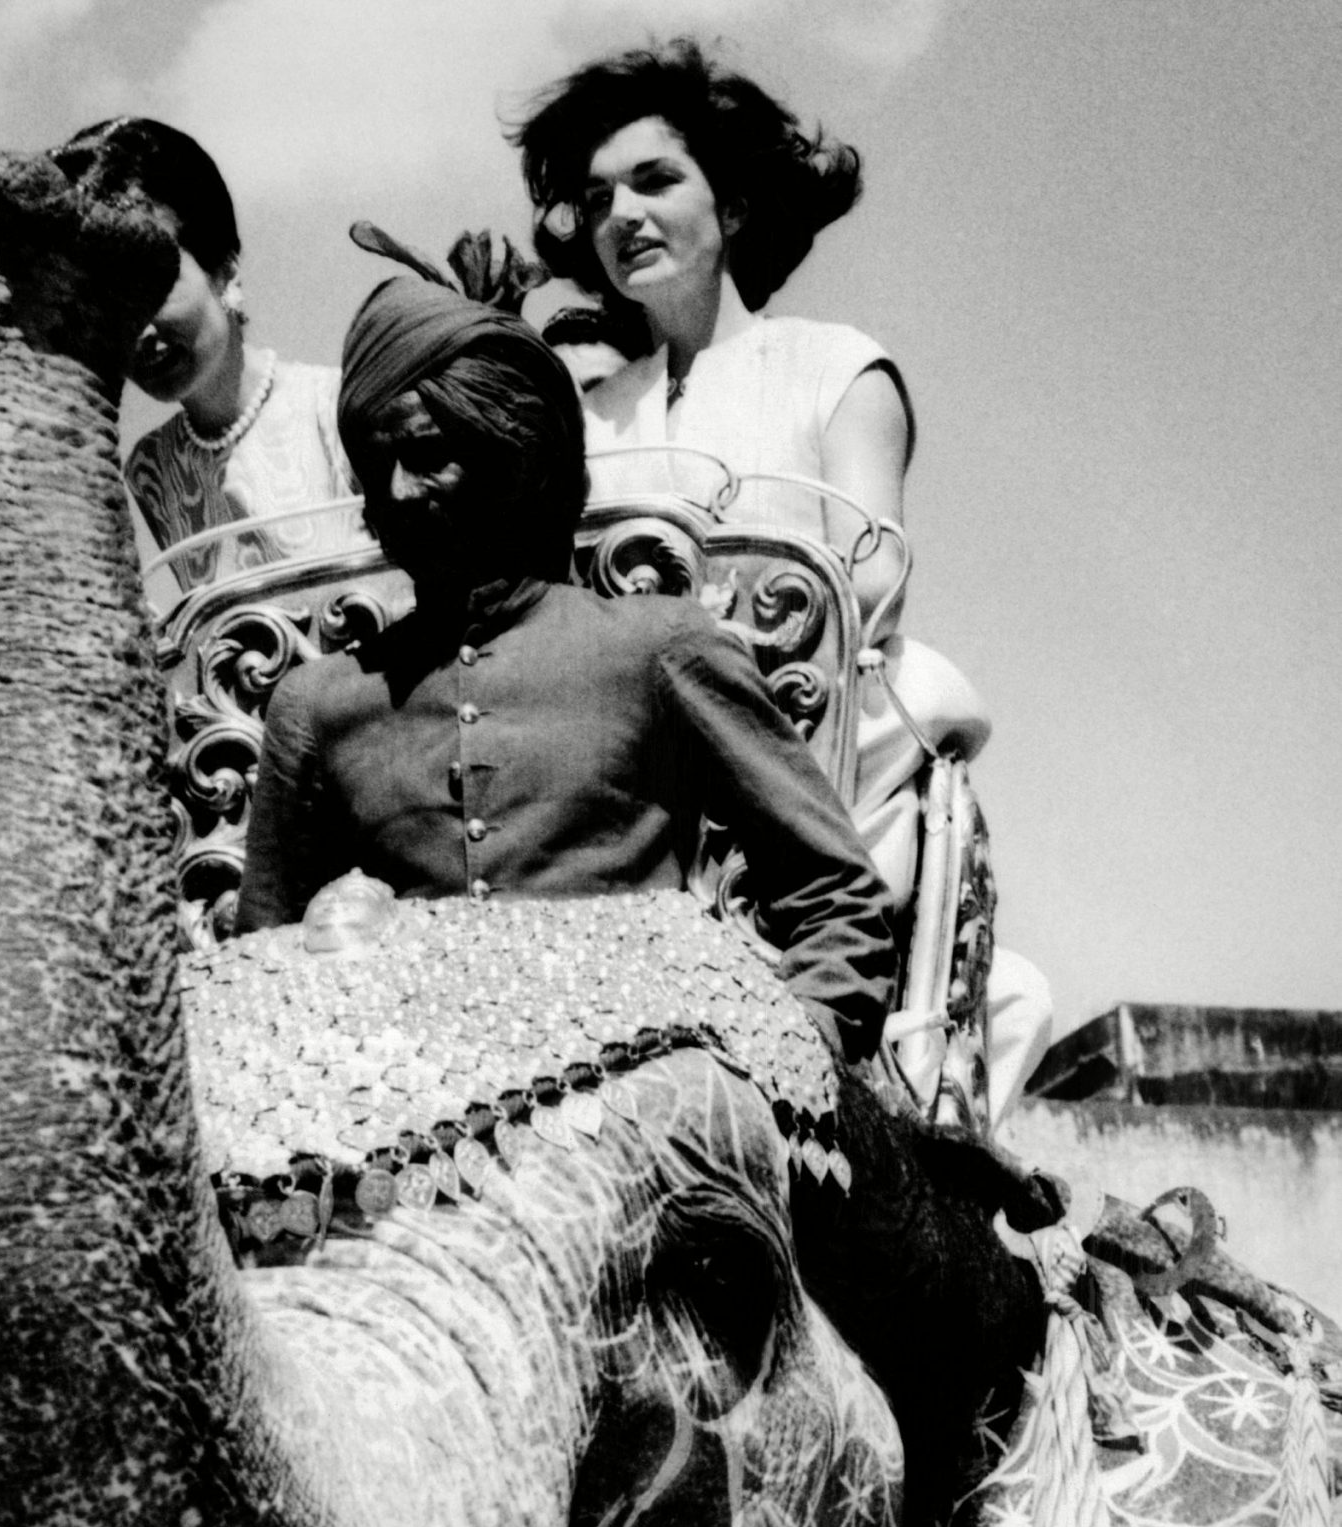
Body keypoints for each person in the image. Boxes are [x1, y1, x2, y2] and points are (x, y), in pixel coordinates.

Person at [513, 43, 1052, 1122]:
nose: (620, 212)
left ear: (737, 200)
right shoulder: (582, 417)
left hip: (811, 752)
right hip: (621, 775)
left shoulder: (837, 369)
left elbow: (864, 590)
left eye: (654, 180)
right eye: (597, 196)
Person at [234, 271, 898, 1069]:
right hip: (399, 1110)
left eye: (428, 456)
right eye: (375, 472)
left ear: (514, 460)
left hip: (644, 1096)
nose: (398, 493)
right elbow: (262, 972)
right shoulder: (318, 702)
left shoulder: (659, 648)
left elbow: (837, 898)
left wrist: (780, 1068)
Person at [53, 120, 356, 592]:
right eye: (109, 303)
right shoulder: (151, 468)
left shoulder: (340, 406)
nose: (138, 332)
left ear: (226, 272)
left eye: (153, 285)